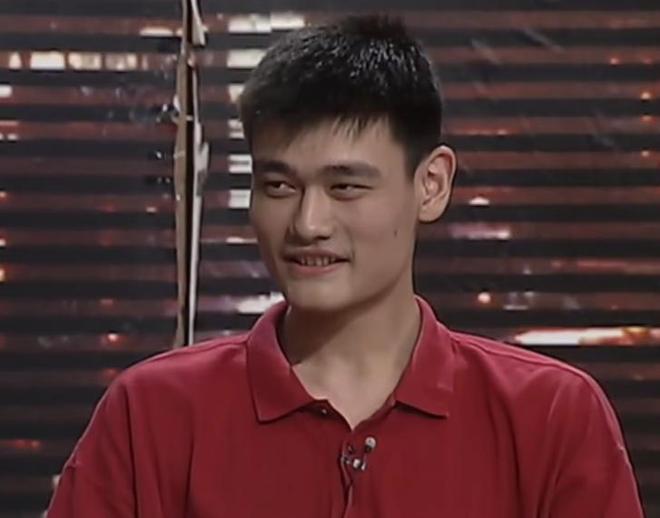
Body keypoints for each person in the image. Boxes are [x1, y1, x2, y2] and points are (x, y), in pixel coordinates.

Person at [48, 14, 644, 518]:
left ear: (431, 185)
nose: (308, 223)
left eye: (346, 186)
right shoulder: (152, 414)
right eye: (279, 186)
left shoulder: (550, 416)